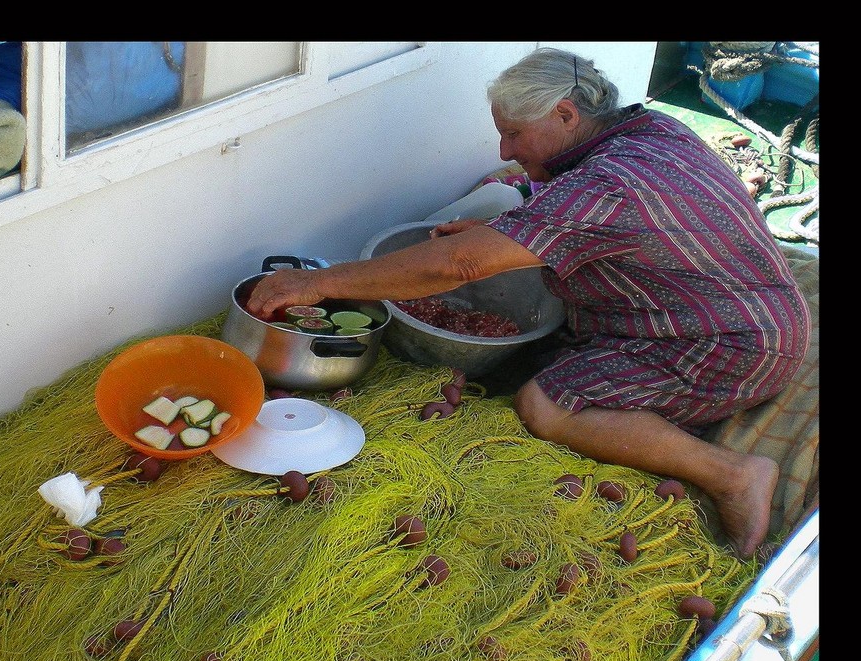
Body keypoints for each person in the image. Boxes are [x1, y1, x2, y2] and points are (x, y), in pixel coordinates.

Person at [245, 47, 811, 560]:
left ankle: (734, 474)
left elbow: (459, 266)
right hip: (754, 308)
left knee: (546, 405)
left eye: (514, 134)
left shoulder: (604, 188)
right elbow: (571, 225)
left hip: (731, 344)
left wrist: (320, 283)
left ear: (566, 115)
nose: (504, 151)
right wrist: (500, 230)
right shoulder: (649, 127)